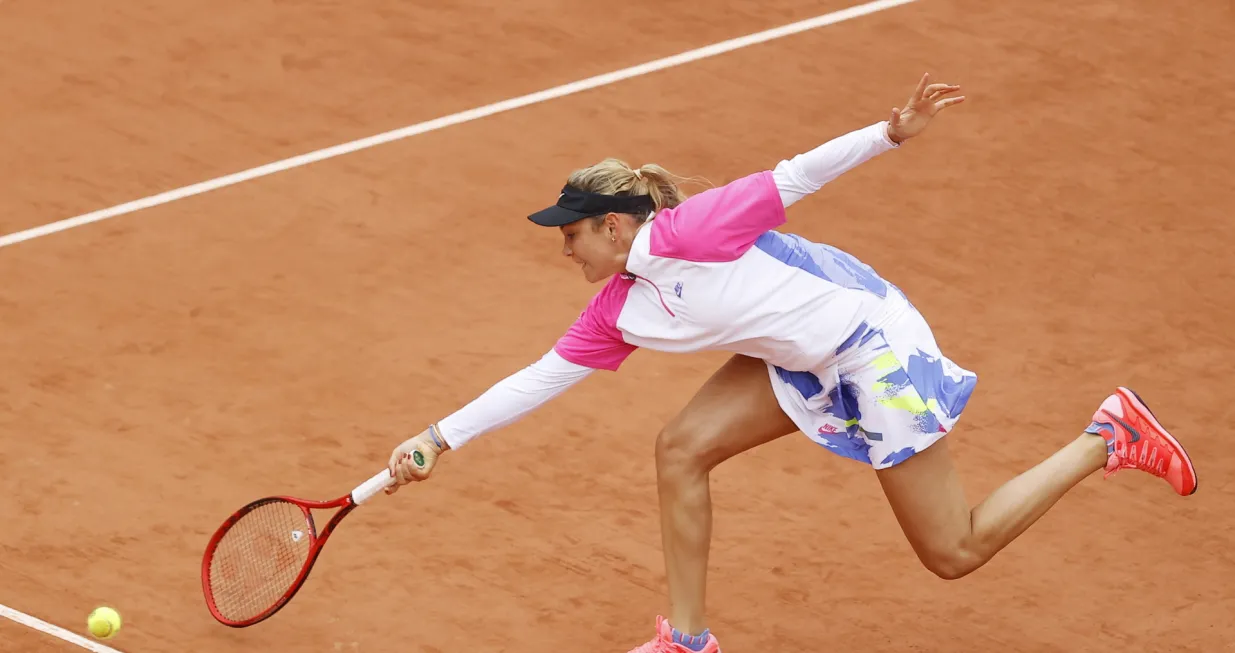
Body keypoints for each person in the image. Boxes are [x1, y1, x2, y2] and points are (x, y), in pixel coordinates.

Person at [382, 73, 1199, 653]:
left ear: (614, 225)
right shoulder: (620, 306)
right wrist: (437, 437)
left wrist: (888, 133)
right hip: (799, 357)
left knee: (952, 551)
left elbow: (794, 175)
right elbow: (539, 376)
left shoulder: (692, 230)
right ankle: (688, 640)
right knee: (680, 447)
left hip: (870, 346)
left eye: (571, 232)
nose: (564, 248)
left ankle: (1106, 433)